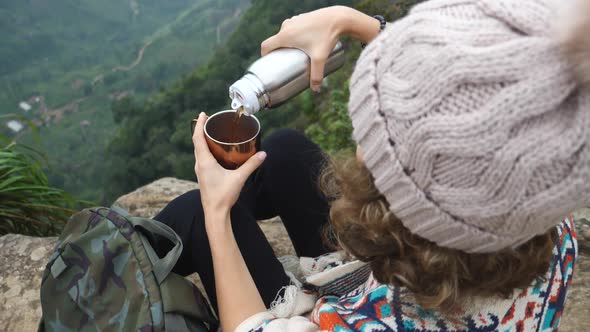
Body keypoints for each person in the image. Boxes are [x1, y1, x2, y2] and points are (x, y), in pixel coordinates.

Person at [154, 0, 590, 330]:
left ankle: (123, 266)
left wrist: (216, 214)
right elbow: (499, 116)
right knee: (287, 152)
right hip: (434, 273)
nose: (360, 140)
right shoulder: (545, 213)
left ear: (413, 207)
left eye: (374, 140)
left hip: (349, 302)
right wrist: (355, 22)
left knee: (201, 213)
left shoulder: (378, 322)